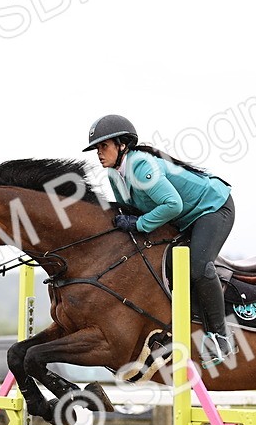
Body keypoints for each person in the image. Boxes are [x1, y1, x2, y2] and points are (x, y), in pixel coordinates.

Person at [83, 114, 236, 368]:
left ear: (122, 145)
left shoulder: (141, 166)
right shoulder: (113, 174)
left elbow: (172, 204)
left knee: (198, 268)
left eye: (104, 146)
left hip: (212, 208)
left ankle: (221, 337)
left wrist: (139, 224)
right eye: (97, 148)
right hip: (185, 218)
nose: (99, 153)